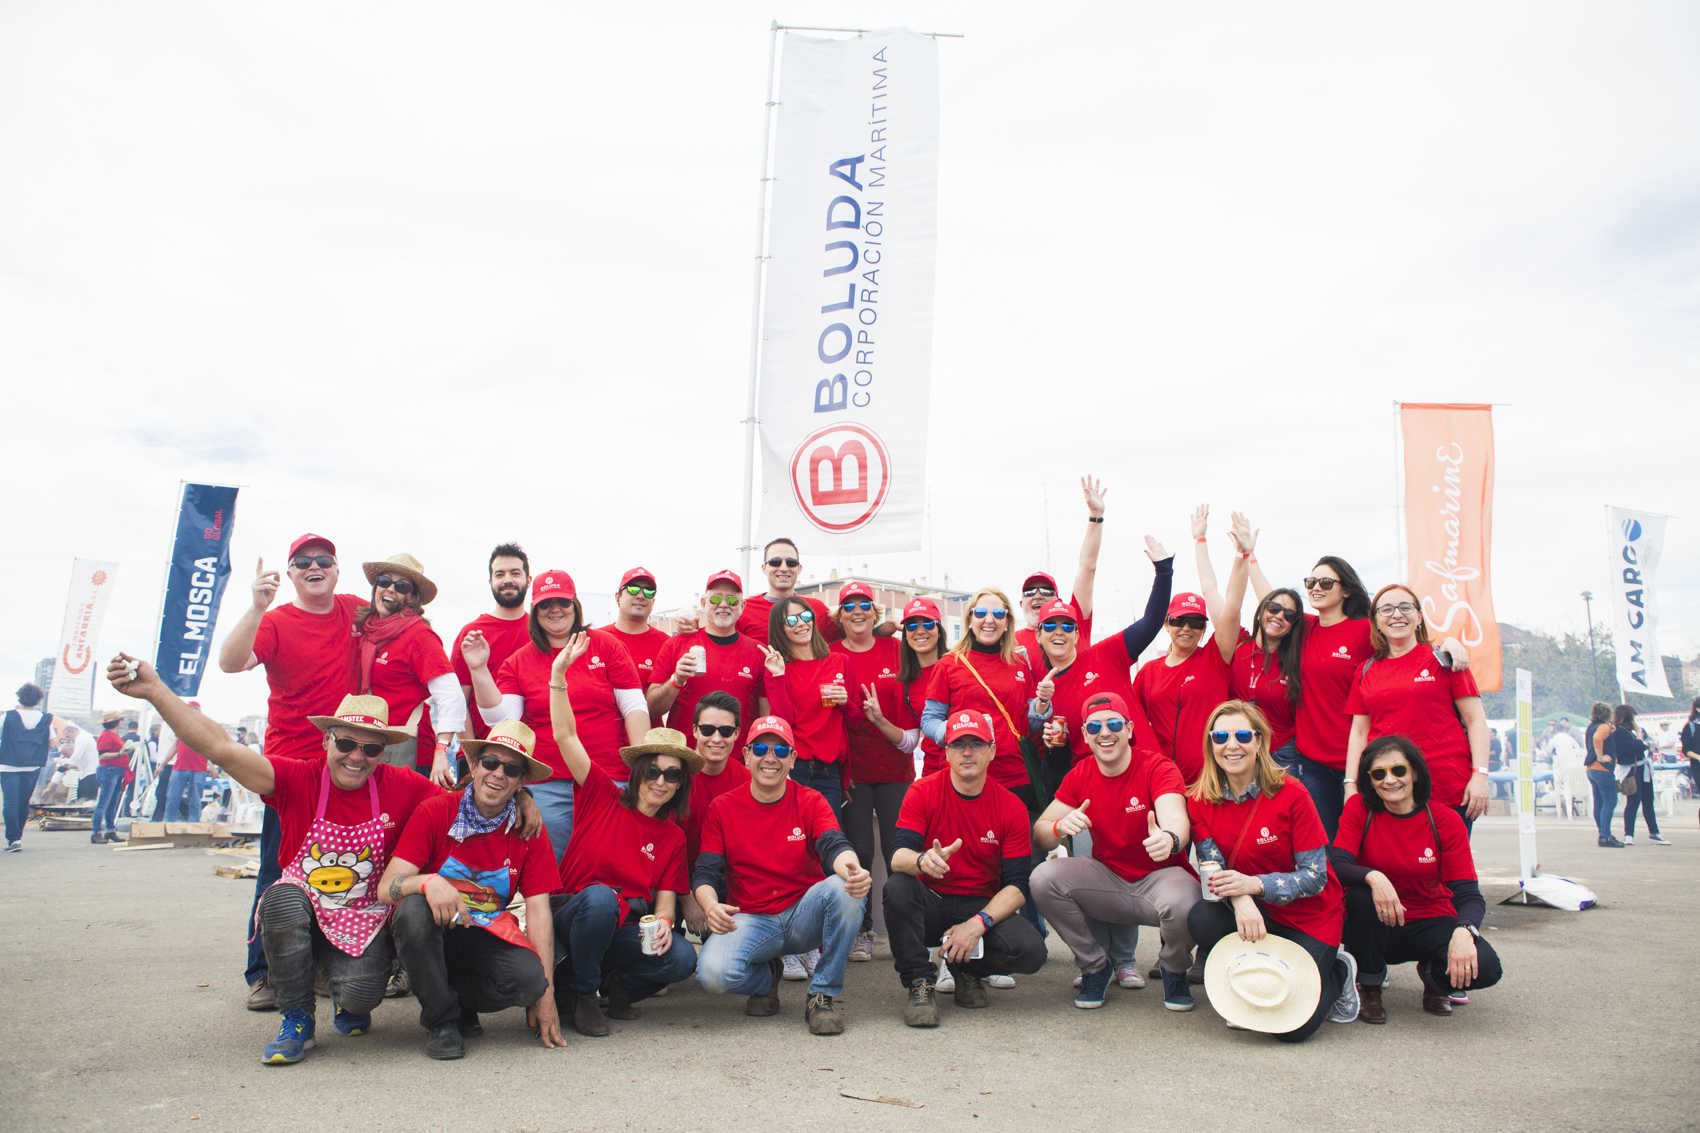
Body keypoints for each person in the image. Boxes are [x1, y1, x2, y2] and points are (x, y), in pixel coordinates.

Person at [107, 656, 463, 1065]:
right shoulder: (296, 779)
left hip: (363, 919)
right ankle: (296, 1017)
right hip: (305, 912)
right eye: (346, 744)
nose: (356, 757)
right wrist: (156, 692)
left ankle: (348, 997)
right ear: (327, 740)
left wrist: (521, 799)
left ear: (383, 752)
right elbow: (219, 748)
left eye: (370, 748)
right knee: (280, 899)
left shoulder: (404, 786)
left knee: (362, 998)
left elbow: (468, 808)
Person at [217, 534, 364, 1011]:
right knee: (279, 870)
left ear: (338, 569)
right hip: (291, 767)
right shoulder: (276, 621)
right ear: (292, 573)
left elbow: (404, 619)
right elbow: (230, 662)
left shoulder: (354, 609)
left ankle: (321, 967)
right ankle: (264, 974)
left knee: (338, 870)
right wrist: (258, 606)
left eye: (324, 560)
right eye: (303, 562)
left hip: (345, 764)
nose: (314, 566)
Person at [379, 720, 564, 1059]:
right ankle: (441, 1021)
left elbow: (539, 912)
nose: (498, 774)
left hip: (483, 934)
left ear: (521, 781)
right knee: (412, 911)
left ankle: (457, 1000)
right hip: (433, 932)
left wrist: (547, 996)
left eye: (511, 769)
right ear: (475, 766)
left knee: (529, 980)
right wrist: (428, 881)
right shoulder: (435, 811)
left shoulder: (529, 830)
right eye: (491, 763)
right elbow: (386, 889)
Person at [548, 639, 700, 1037]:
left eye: (672, 774)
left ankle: (617, 988)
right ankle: (583, 995)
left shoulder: (672, 836)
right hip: (575, 915)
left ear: (681, 784)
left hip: (624, 925)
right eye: (653, 771)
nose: (661, 781)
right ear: (638, 772)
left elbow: (666, 903)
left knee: (681, 957)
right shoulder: (602, 792)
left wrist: (666, 924)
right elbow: (566, 738)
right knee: (601, 898)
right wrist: (558, 678)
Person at [1186, 701, 1357, 1041]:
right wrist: (1241, 900)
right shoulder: (1199, 798)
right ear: (1210, 744)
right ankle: (1253, 977)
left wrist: (1253, 886)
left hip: (1309, 915)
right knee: (1202, 919)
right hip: (1254, 909)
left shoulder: (1292, 793)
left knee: (1293, 1031)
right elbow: (1212, 865)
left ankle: (1338, 971)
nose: (1231, 745)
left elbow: (1315, 875)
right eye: (1220, 736)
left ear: (1260, 741)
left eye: (1242, 735)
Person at [692, 715, 872, 1036]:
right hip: (752, 919)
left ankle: (822, 995)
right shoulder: (722, 808)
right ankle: (767, 977)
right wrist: (709, 907)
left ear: (793, 759)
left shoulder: (810, 800)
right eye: (760, 749)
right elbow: (706, 872)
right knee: (712, 975)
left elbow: (833, 844)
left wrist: (852, 869)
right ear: (746, 755)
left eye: (780, 750)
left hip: (804, 914)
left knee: (846, 887)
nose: (770, 758)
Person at [465, 569, 648, 863]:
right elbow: (504, 724)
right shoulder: (518, 662)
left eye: (562, 602)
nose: (555, 610)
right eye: (545, 604)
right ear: (535, 610)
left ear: (574, 605)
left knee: (613, 862)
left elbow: (635, 708)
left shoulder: (607, 646)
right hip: (550, 782)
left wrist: (643, 767)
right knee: (554, 866)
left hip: (608, 776)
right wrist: (479, 670)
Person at [1030, 692, 1198, 1010]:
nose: (1104, 733)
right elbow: (1041, 833)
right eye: (1094, 728)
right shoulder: (1081, 773)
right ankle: (1095, 965)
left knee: (1188, 899)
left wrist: (1170, 838)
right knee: (1043, 878)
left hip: (1159, 880)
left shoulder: (1156, 766)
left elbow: (1177, 819)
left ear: (1130, 729)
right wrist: (1057, 828)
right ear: (1086, 737)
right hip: (1108, 879)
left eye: (1113, 724)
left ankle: (1174, 968)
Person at [882, 711, 1048, 1027]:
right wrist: (921, 861)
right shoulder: (923, 791)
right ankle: (919, 982)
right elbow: (897, 855)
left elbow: (1016, 886)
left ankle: (966, 970)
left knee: (1031, 952)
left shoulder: (1011, 806)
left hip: (979, 905)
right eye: (958, 744)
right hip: (933, 901)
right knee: (898, 887)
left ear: (992, 750)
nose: (967, 752)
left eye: (975, 743)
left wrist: (978, 924)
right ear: (946, 752)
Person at [1329, 736, 1503, 1021]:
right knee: (1359, 896)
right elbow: (1337, 863)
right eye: (1378, 773)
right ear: (1369, 780)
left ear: (1415, 773)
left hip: (1430, 918)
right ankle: (1370, 985)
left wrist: (1464, 931)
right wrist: (1374, 877)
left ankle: (1435, 980)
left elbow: (1469, 893)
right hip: (1377, 921)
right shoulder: (1360, 809)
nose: (1389, 780)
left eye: (1399, 770)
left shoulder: (1444, 820)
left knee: (1486, 967)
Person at [1344, 584, 1490, 831]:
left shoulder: (1445, 659)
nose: (1397, 614)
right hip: (1389, 790)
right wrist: (1350, 785)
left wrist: (1480, 776)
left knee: (1450, 867)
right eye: (1387, 609)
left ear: (1419, 617)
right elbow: (1359, 733)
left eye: (1405, 607)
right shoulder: (1366, 670)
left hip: (1447, 788)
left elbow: (1476, 720)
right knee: (1394, 867)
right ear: (1376, 621)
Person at [1132, 506, 1243, 784]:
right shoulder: (1148, 673)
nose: (1187, 628)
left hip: (1211, 778)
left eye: (1195, 622)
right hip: (1162, 780)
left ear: (1205, 628)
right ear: (1166, 624)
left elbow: (1225, 601)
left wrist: (1205, 543)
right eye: (1179, 621)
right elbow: (1131, 724)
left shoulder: (1216, 658)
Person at [832, 580, 913, 961]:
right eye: (849, 606)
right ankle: (862, 929)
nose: (857, 611)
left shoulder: (897, 649)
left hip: (896, 768)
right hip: (853, 773)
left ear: (875, 610)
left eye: (864, 603)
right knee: (859, 852)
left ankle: (902, 932)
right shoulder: (830, 653)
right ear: (840, 615)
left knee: (898, 851)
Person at [920, 588, 1046, 804]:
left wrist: (1042, 706)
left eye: (998, 614)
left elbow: (1026, 724)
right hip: (965, 777)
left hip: (1014, 777)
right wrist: (953, 731)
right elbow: (929, 720)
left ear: (1007, 622)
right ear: (970, 620)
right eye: (980, 614)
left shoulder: (1019, 664)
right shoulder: (949, 665)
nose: (989, 620)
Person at [352, 553, 466, 781]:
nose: (390, 589)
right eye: (384, 582)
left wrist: (442, 751)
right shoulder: (369, 632)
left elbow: (452, 696)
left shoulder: (419, 636)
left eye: (401, 586)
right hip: (371, 745)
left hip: (406, 751)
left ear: (413, 598)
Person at [648, 570, 781, 745]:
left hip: (737, 760)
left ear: (743, 606)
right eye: (716, 599)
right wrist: (676, 680)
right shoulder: (676, 644)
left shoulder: (758, 651)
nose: (724, 605)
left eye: (732, 600)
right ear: (704, 603)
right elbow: (652, 708)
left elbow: (765, 716)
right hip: (685, 759)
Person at [766, 594, 861, 815]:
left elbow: (856, 720)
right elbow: (783, 722)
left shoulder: (839, 661)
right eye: (791, 620)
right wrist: (778, 675)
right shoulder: (777, 666)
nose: (801, 623)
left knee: (830, 838)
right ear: (780, 629)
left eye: (805, 616)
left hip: (830, 770)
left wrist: (846, 702)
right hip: (794, 767)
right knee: (797, 840)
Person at [676, 692, 753, 936]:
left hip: (723, 881)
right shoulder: (672, 776)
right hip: (674, 881)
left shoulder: (747, 780)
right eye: (707, 730)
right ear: (695, 731)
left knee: (726, 968)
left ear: (737, 734)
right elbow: (661, 846)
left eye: (726, 731)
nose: (716, 739)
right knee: (672, 961)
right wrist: (687, 901)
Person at [1013, 475, 1107, 660]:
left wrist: (1095, 517)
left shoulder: (1073, 624)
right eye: (1030, 592)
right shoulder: (1011, 642)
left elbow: (1087, 568)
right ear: (1021, 604)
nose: (1038, 595)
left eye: (1046, 591)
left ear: (1059, 601)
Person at [450, 544, 535, 743]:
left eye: (515, 573)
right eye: (499, 574)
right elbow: (458, 701)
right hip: (481, 753)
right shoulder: (471, 634)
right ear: (490, 581)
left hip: (534, 754)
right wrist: (470, 755)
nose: (507, 580)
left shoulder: (541, 633)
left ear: (528, 580)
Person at [736, 538, 846, 647]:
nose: (784, 568)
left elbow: (852, 640)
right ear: (764, 568)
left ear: (799, 568)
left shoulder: (818, 609)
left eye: (791, 563)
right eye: (775, 562)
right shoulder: (743, 610)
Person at [890, 598, 950, 778]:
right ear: (905, 635)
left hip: (968, 766)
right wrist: (878, 720)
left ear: (939, 630)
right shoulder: (905, 682)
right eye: (911, 626)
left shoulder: (958, 665)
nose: (920, 631)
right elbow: (909, 742)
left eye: (928, 624)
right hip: (933, 771)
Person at [1, 682, 54, 851]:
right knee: (23, 802)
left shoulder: (7, 716)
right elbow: (51, 742)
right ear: (38, 700)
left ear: (19, 697)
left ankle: (13, 839)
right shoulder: (45, 718)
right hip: (32, 766)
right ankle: (18, 837)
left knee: (10, 802)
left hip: (8, 765)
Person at [608, 567, 672, 704]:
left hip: (649, 725)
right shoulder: (597, 639)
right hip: (603, 725)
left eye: (648, 592)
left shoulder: (667, 643)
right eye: (633, 589)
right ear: (617, 597)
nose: (641, 596)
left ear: (653, 602)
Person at [1609, 704, 1667, 845]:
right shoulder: (1618, 733)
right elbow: (1633, 748)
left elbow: (1647, 744)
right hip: (1632, 770)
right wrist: (1641, 741)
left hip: (1642, 768)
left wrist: (1642, 740)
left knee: (1648, 801)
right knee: (1633, 802)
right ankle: (1629, 834)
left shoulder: (1633, 731)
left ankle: (1654, 832)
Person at [161, 708, 212, 822]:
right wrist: (163, 763)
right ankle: (170, 822)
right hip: (181, 766)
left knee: (195, 799)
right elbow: (174, 746)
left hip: (198, 767)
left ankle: (193, 823)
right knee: (173, 796)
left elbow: (209, 748)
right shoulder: (180, 726)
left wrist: (212, 766)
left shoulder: (205, 728)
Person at [1583, 702, 1622, 847]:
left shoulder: (1590, 727)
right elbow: (1598, 739)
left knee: (1599, 802)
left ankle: (1603, 832)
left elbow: (1595, 738)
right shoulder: (1603, 727)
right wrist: (1601, 756)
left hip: (1591, 769)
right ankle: (1605, 836)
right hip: (1602, 769)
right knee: (1610, 801)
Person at [91, 711, 127, 843]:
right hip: (110, 769)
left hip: (115, 770)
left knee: (111, 802)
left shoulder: (110, 735)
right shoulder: (107, 736)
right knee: (104, 802)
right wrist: (120, 754)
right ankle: (96, 832)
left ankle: (110, 830)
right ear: (116, 723)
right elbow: (102, 755)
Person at [1682, 699, 1700, 794]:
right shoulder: (1690, 727)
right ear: (1698, 709)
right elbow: (1686, 750)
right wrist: (1698, 757)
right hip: (1698, 766)